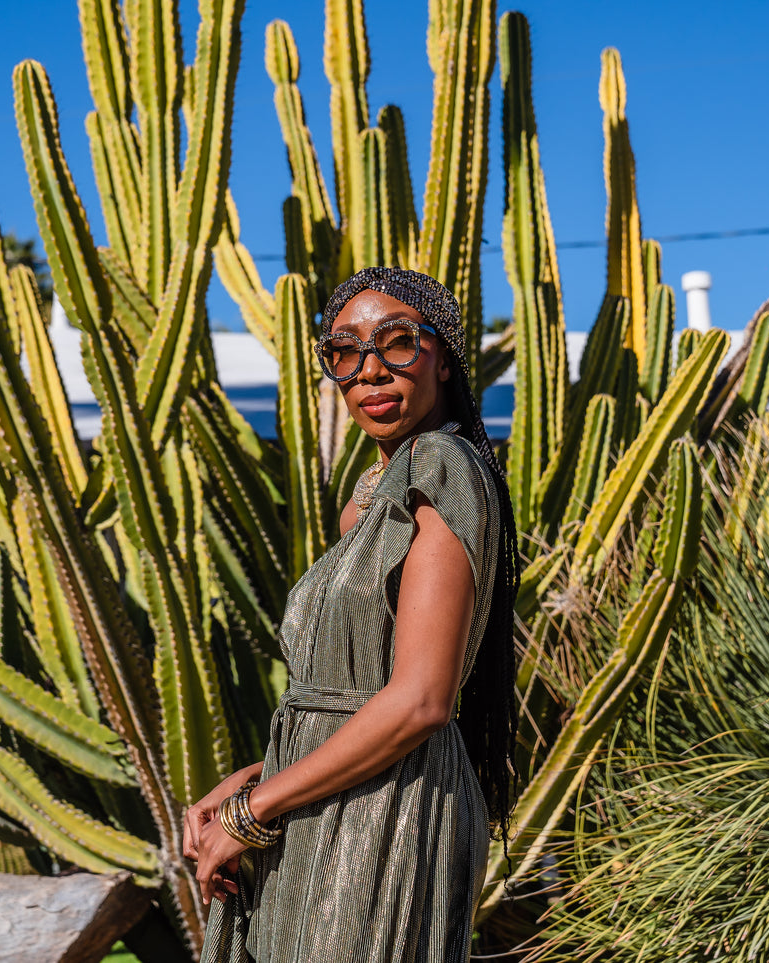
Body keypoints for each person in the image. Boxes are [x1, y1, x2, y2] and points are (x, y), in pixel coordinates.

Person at [186, 267, 521, 963]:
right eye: (343, 351)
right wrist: (257, 775)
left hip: (381, 820)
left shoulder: (440, 467)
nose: (369, 370)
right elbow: (356, 697)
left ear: (444, 357)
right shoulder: (371, 498)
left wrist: (251, 813)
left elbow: (420, 702)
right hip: (327, 803)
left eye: (397, 343)